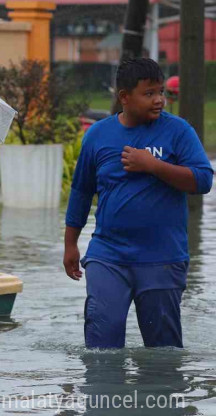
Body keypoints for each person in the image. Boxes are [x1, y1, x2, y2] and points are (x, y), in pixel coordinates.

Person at [64, 58, 213, 349]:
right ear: (124, 97)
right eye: (149, 93)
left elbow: (203, 180)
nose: (159, 100)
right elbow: (81, 191)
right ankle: (104, 396)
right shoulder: (98, 135)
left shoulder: (179, 132)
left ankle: (157, 396)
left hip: (163, 257)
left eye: (161, 92)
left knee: (163, 351)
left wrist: (153, 165)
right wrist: (71, 243)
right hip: (108, 255)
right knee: (101, 345)